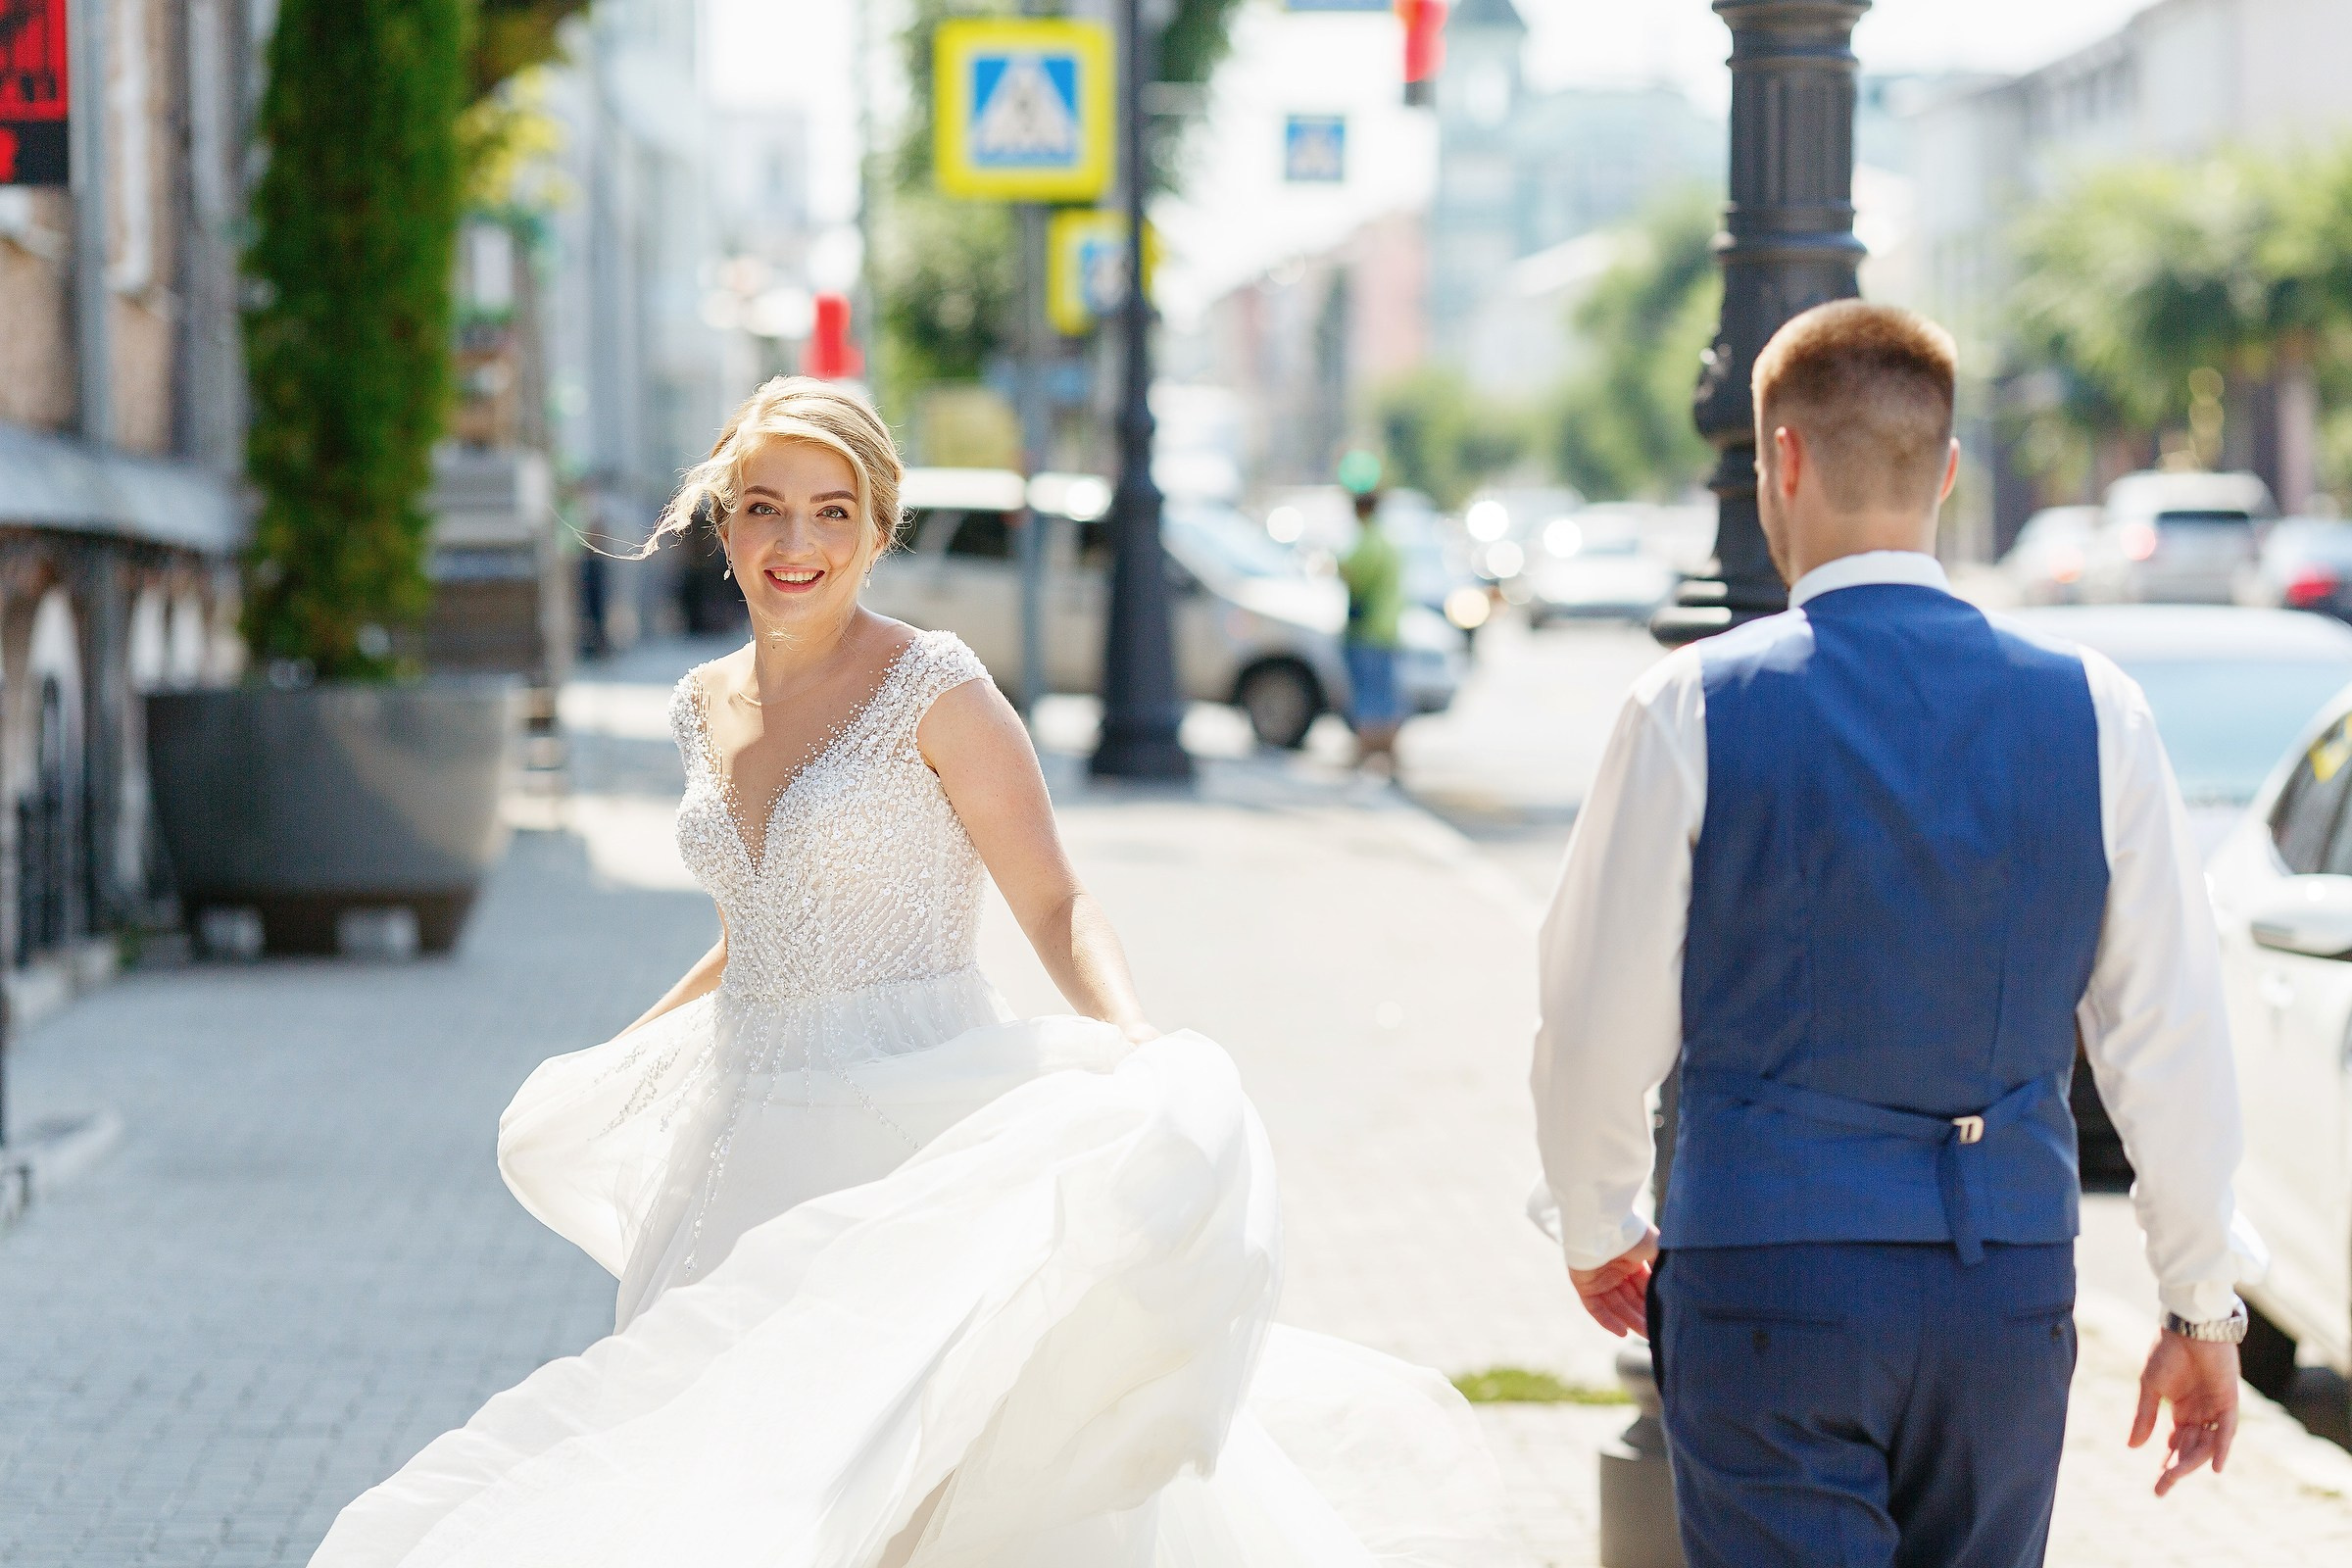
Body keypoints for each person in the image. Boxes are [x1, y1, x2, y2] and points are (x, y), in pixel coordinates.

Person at [308, 377, 1507, 1568]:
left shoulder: (938, 690)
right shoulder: (694, 704)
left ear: (880, 531)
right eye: (766, 506)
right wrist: (616, 1062)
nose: (795, 541)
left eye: (833, 512)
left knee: (910, 1496)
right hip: (738, 1149)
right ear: (722, 522)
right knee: (724, 1483)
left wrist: (1134, 1034)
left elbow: (1054, 898)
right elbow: (756, 930)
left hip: (913, 1132)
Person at [1529, 302, 2263, 1566]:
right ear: (1951, 471)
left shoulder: (1690, 707)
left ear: (1785, 462)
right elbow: (2170, 1036)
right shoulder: (2097, 712)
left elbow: (1595, 1022)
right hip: (2006, 1292)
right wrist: (2200, 1302)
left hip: (1771, 1280)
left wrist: (1598, 1222)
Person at [1339, 489, 1407, 774]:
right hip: (1388, 629)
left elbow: (1352, 576)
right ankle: (1390, 758)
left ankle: (1364, 754)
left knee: (1367, 696)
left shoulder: (1367, 542)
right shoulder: (1389, 542)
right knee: (1386, 696)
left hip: (1368, 630)